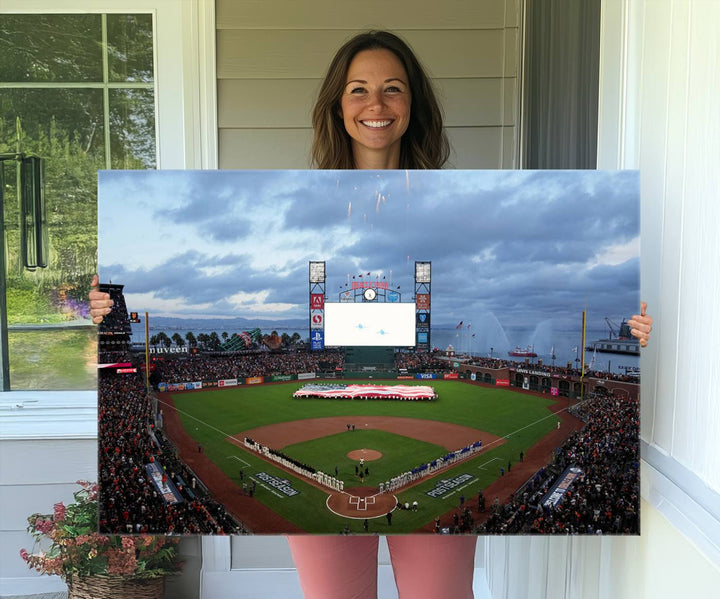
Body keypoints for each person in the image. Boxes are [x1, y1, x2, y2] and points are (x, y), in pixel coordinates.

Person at [88, 29, 653, 599]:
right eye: (358, 89)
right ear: (337, 104)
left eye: (393, 89)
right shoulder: (297, 195)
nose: (375, 105)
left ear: (414, 104)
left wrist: (638, 330)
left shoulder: (452, 197)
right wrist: (104, 316)